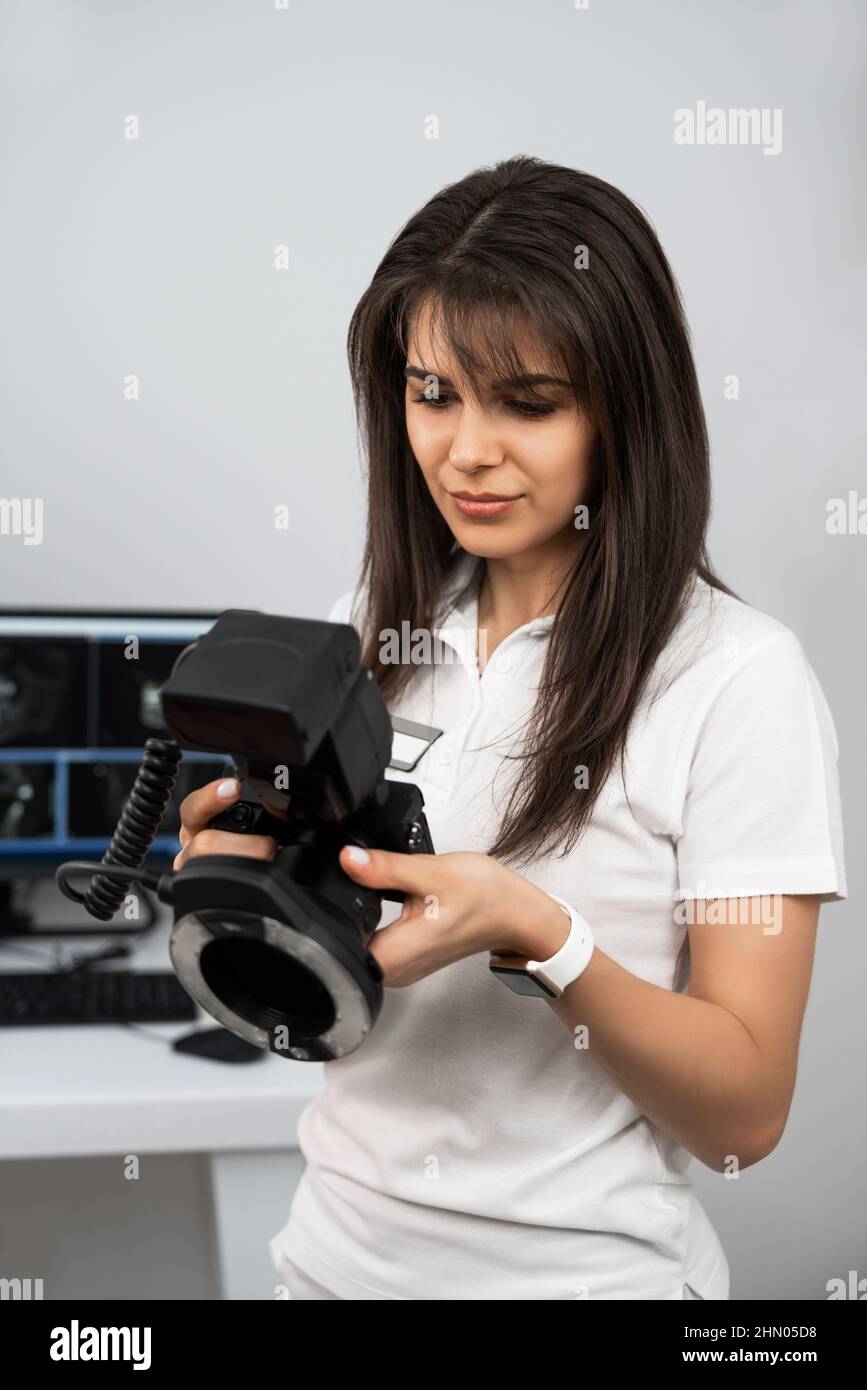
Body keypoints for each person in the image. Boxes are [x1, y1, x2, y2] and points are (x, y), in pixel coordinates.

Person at [176, 157, 847, 1300]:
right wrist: (257, 898)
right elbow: (328, 1023)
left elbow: (745, 1115)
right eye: (432, 394)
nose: (466, 450)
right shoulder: (366, 636)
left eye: (527, 402)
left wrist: (547, 939)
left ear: (624, 412)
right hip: (328, 1271)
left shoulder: (737, 678)